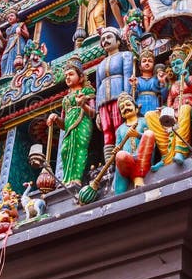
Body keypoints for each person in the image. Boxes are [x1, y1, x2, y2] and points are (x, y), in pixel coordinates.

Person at [46, 58, 96, 186]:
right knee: (65, 150)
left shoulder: (87, 92)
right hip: (69, 127)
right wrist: (56, 118)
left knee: (80, 147)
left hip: (82, 123)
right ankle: (66, 180)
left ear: (81, 77)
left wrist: (83, 104)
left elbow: (93, 113)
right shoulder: (66, 99)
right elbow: (63, 124)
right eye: (66, 75)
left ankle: (77, 178)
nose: (67, 77)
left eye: (71, 74)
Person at [95, 28, 133, 162]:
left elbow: (128, 76)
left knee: (119, 125)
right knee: (106, 129)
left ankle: (123, 156)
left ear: (118, 41)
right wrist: (97, 112)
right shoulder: (100, 65)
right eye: (103, 39)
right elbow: (98, 86)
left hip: (119, 96)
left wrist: (127, 96)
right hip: (102, 100)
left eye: (109, 37)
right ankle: (110, 162)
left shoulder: (125, 55)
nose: (105, 41)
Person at [114, 93, 156, 194]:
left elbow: (153, 142)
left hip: (143, 158)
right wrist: (116, 150)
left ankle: (137, 177)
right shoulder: (120, 130)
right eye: (122, 108)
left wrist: (138, 135)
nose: (126, 108)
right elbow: (118, 146)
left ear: (136, 109)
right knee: (120, 155)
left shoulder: (144, 121)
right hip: (128, 161)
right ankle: (136, 177)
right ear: (121, 114)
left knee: (149, 134)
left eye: (128, 105)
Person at [0, 10, 29, 76]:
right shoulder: (8, 30)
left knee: (16, 56)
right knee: (4, 58)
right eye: (8, 17)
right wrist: (0, 37)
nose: (10, 18)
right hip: (9, 45)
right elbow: (6, 42)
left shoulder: (20, 24)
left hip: (18, 42)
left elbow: (27, 35)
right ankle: (5, 74)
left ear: (17, 18)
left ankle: (15, 72)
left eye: (12, 16)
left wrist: (21, 30)